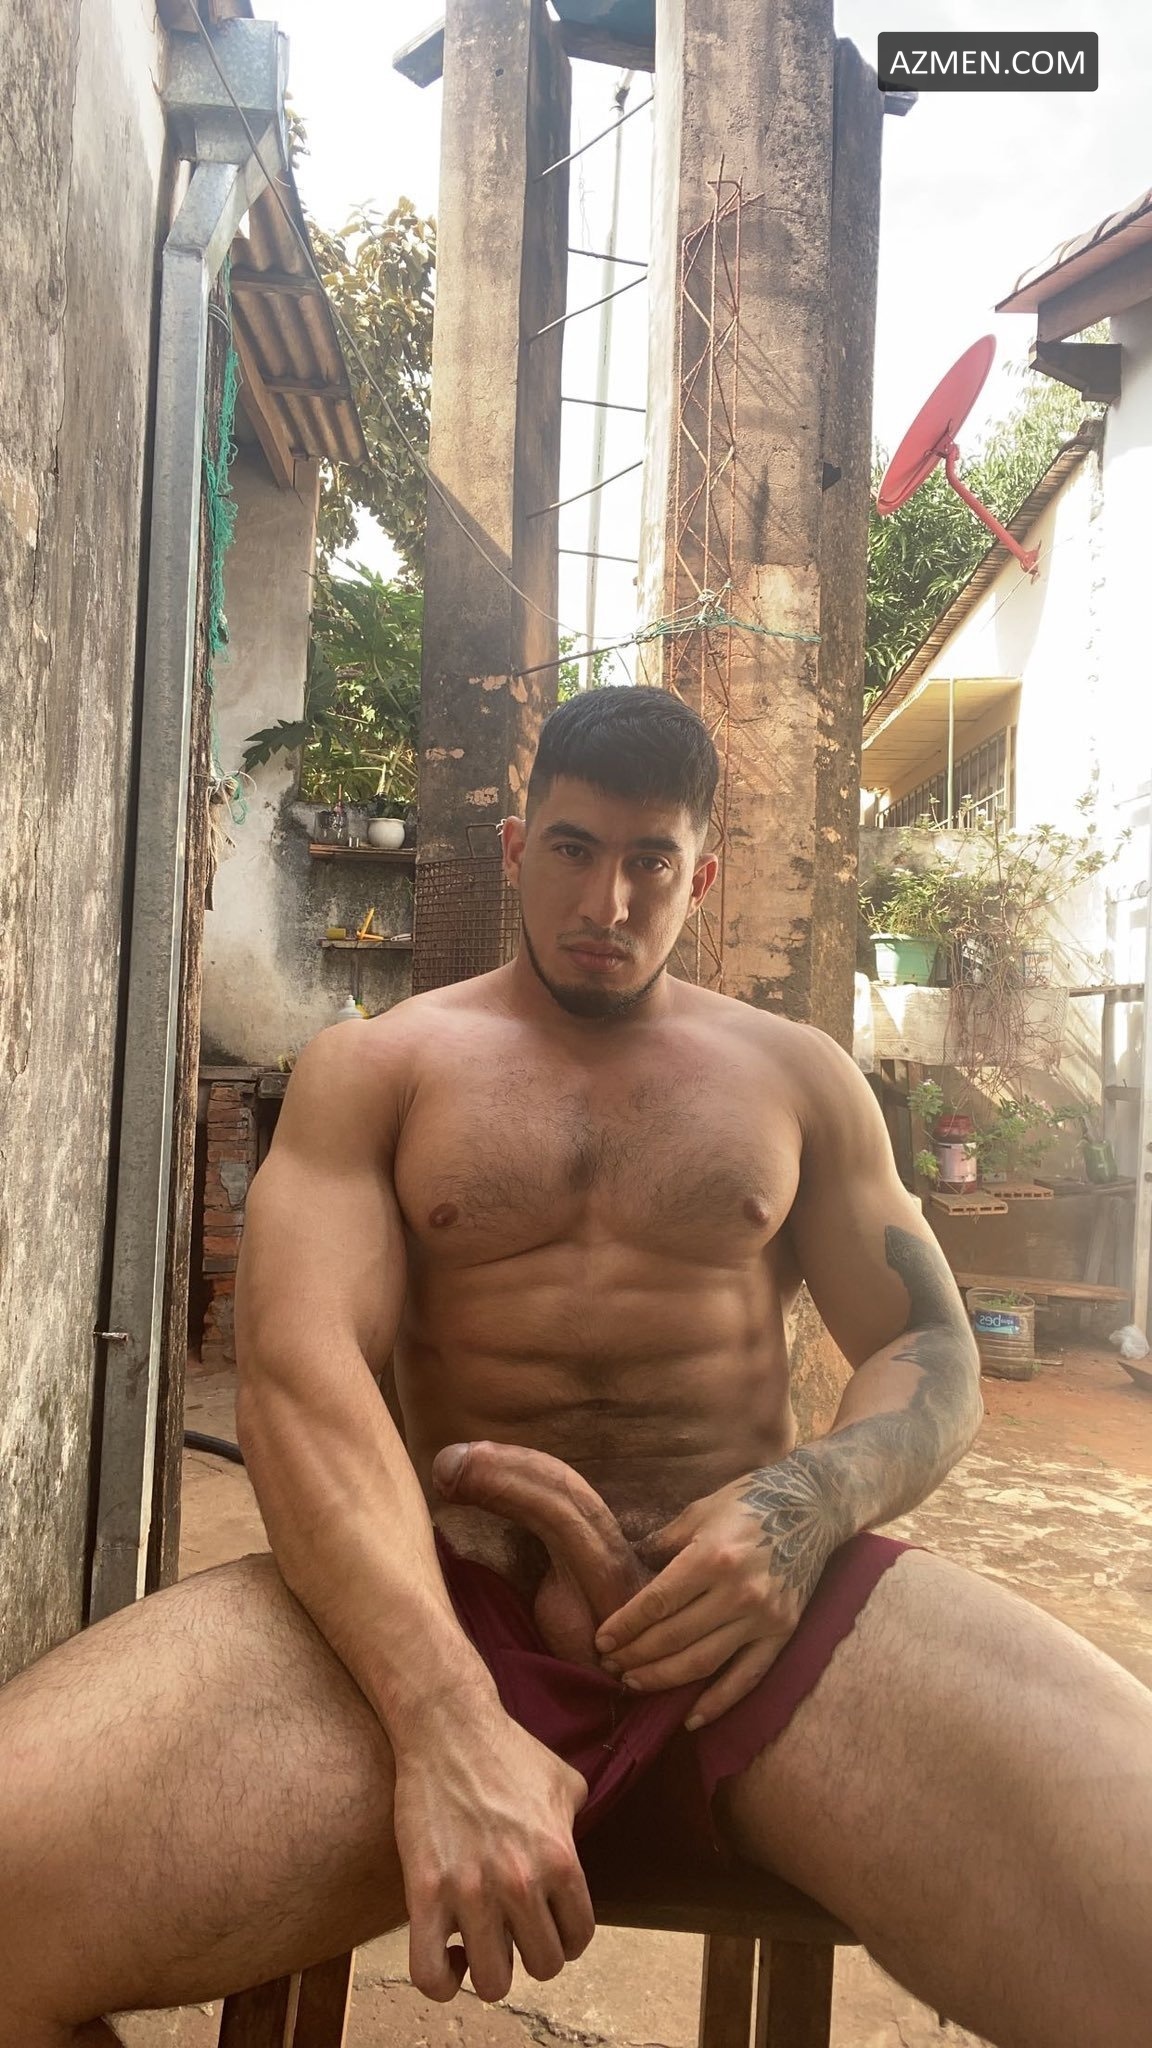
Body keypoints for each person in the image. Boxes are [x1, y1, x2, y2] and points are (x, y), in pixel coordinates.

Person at [1, 687, 1150, 2048]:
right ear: (514, 851)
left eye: (650, 860)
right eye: (572, 850)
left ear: (700, 876)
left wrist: (804, 1511)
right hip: (441, 1608)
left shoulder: (799, 1079)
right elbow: (300, 1381)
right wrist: (441, 1717)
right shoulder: (380, 1070)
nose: (607, 901)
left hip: (754, 1618)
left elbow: (932, 1346)